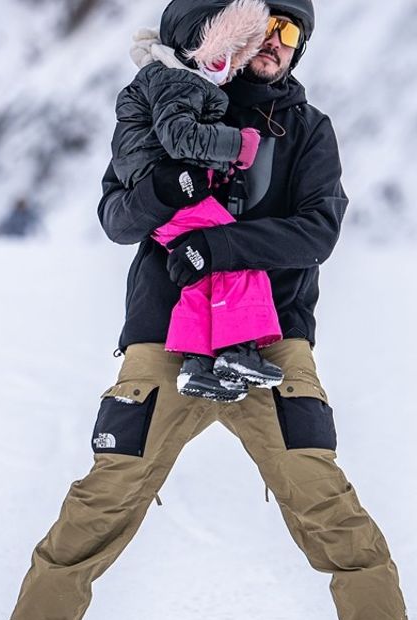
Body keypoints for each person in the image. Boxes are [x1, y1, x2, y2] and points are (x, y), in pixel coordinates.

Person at [0, 2, 417, 620]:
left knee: (317, 489)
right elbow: (114, 216)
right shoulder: (168, 109)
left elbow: (316, 231)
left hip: (270, 339)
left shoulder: (308, 130)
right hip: (166, 333)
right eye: (265, 29)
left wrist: (218, 249)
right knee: (109, 490)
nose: (278, 45)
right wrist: (168, 189)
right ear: (218, 33)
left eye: (291, 33)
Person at [111, 0, 285, 403]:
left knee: (199, 274)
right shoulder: (179, 80)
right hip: (169, 192)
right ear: (200, 45)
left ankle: (197, 364)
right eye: (224, 50)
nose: (227, 62)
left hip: (157, 195)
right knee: (233, 254)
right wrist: (237, 145)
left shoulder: (166, 78)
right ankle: (237, 351)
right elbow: (181, 138)